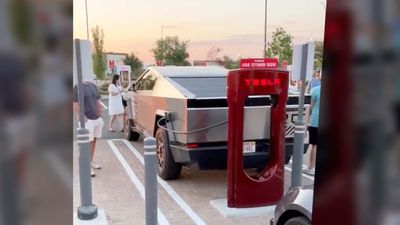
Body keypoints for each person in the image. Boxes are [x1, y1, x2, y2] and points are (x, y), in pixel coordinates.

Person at [73, 77, 104, 177]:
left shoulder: (92, 86)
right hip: (87, 120)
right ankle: (86, 165)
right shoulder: (77, 88)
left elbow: (97, 100)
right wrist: (82, 115)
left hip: (96, 118)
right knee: (86, 143)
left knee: (94, 140)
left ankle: (90, 161)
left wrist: (100, 114)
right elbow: (74, 103)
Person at [304, 84, 321, 175]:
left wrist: (306, 122)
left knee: (314, 145)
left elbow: (309, 106)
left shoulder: (315, 90)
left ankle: (311, 167)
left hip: (315, 121)